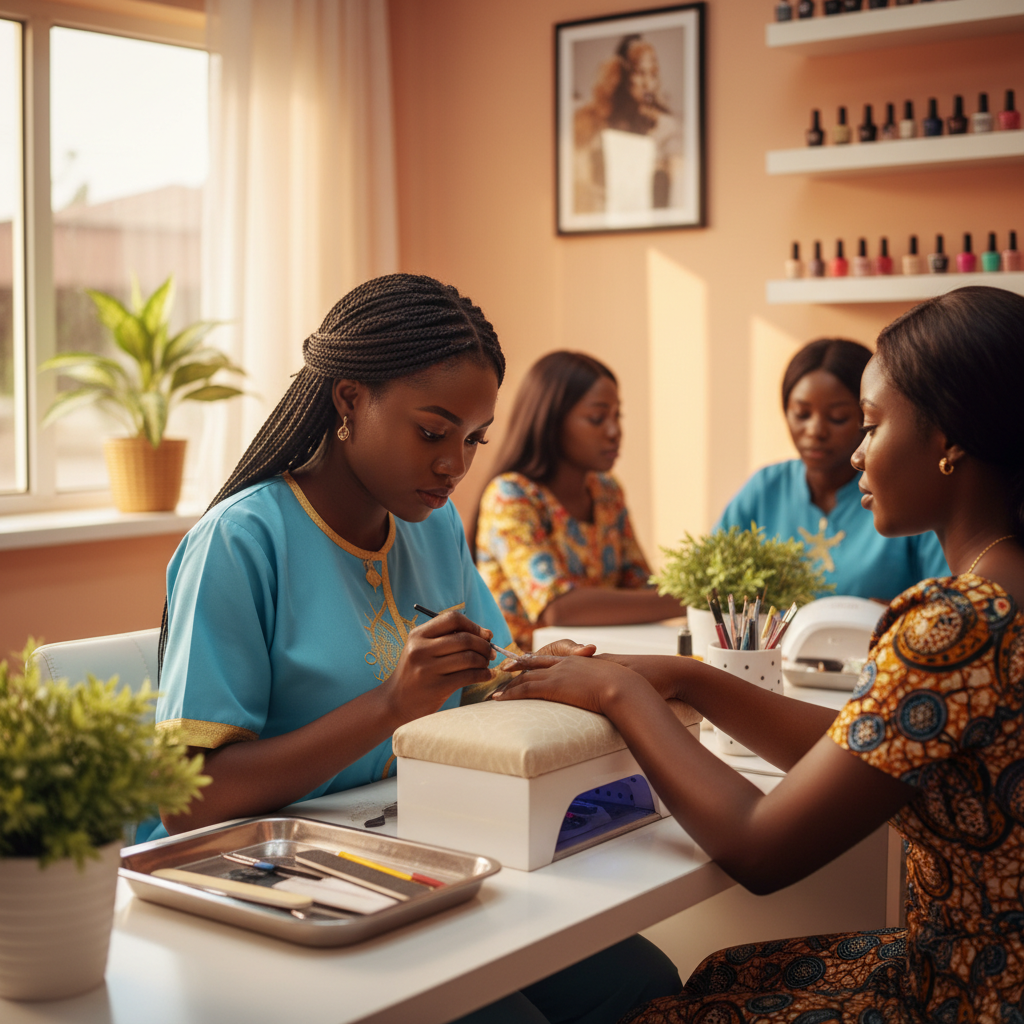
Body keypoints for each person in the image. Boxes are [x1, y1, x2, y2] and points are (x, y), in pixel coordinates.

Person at [155, 275, 680, 1024]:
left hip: (414, 848)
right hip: (266, 876)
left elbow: (477, 691)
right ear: (348, 402)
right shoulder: (243, 541)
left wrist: (530, 672)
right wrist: (392, 704)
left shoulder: (431, 529)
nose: (455, 465)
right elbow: (189, 805)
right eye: (433, 433)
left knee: (642, 985)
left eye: (473, 440)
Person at [496, 286, 1024, 1019]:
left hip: (970, 994)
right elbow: (871, 743)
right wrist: (687, 677)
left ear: (952, 440)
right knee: (711, 971)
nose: (856, 449)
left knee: (678, 997)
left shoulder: (959, 623)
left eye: (868, 424)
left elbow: (759, 851)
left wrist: (624, 695)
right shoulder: (1000, 592)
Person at [475, 351, 682, 651]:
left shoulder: (607, 491)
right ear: (551, 421)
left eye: (617, 416)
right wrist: (688, 600)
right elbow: (558, 607)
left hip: (599, 664)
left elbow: (642, 585)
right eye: (597, 418)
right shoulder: (510, 496)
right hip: (522, 673)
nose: (615, 432)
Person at [718, 337, 949, 602]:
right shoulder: (766, 487)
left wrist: (886, 615)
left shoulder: (903, 494)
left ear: (869, 419)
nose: (815, 431)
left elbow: (948, 604)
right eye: (802, 414)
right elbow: (707, 580)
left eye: (838, 417)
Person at [573, 35, 682, 214]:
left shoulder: (666, 126)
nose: (648, 84)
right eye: (639, 73)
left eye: (653, 74)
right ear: (620, 74)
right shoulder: (593, 122)